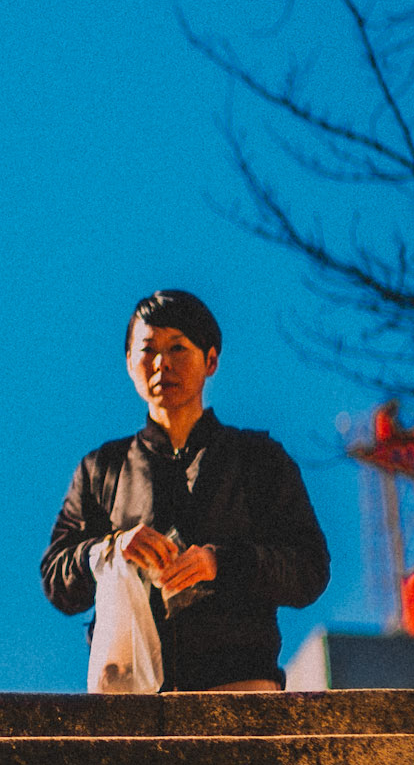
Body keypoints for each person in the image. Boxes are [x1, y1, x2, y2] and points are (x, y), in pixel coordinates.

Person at [41, 290, 329, 691]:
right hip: (131, 694)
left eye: (178, 347)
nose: (161, 364)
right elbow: (56, 578)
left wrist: (221, 563)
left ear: (211, 360)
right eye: (148, 350)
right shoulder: (101, 468)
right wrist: (110, 550)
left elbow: (309, 570)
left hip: (239, 687)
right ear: (128, 362)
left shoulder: (258, 459)